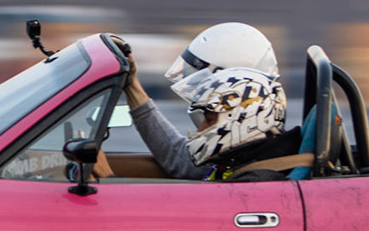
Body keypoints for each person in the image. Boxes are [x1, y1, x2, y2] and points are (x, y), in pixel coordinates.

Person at [120, 23, 310, 180]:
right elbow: (180, 159)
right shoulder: (236, 157)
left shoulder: (255, 179)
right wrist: (131, 85)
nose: (200, 129)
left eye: (210, 119)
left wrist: (110, 178)